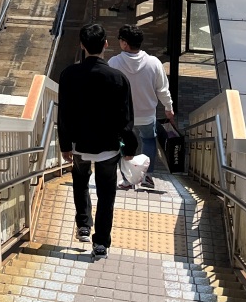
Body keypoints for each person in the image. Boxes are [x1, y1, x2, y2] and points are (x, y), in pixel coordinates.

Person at [57, 23, 136, 258]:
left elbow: (64, 114)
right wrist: (129, 148)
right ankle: (100, 242)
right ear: (106, 44)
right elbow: (126, 118)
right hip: (108, 148)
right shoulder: (118, 78)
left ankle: (83, 224)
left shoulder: (69, 75)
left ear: (82, 45)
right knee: (106, 193)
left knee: (80, 181)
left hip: (80, 145)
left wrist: (65, 144)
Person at [109, 25, 175, 190]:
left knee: (123, 145)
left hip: (122, 116)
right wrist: (168, 107)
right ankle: (147, 176)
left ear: (124, 43)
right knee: (148, 141)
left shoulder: (114, 63)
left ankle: (127, 180)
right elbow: (162, 89)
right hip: (146, 114)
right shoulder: (154, 63)